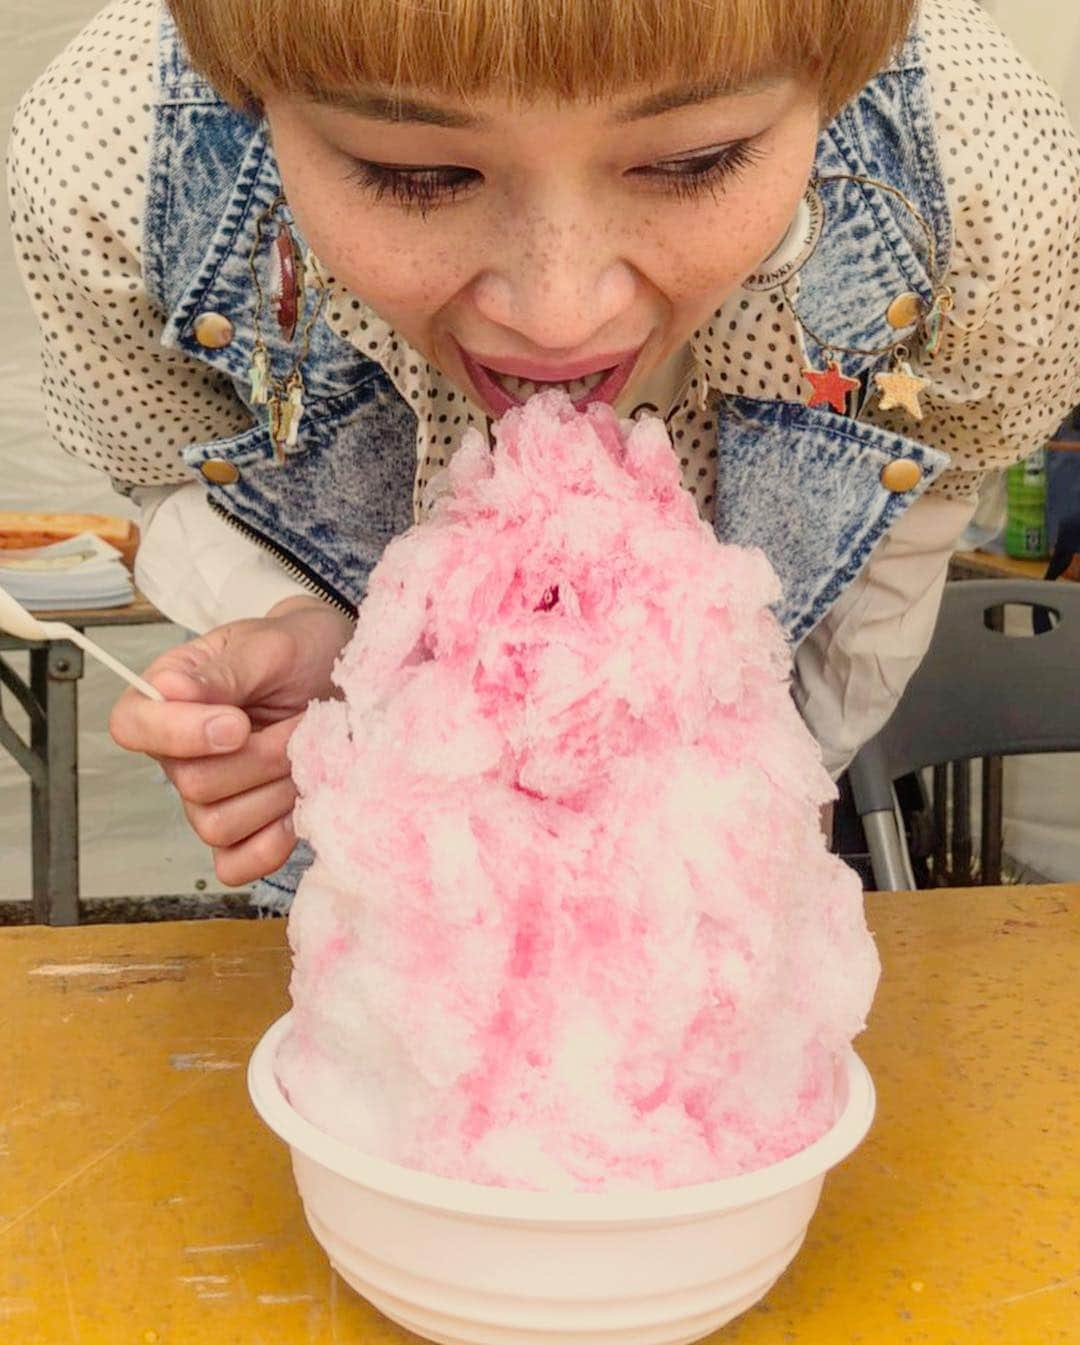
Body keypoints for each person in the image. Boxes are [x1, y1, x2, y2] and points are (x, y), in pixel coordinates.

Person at [9, 0, 1080, 909]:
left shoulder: (988, 185)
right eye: (413, 174)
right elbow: (166, 467)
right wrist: (311, 631)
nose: (561, 320)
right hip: (363, 883)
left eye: (694, 161)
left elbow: (925, 493)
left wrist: (753, 767)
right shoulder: (107, 169)